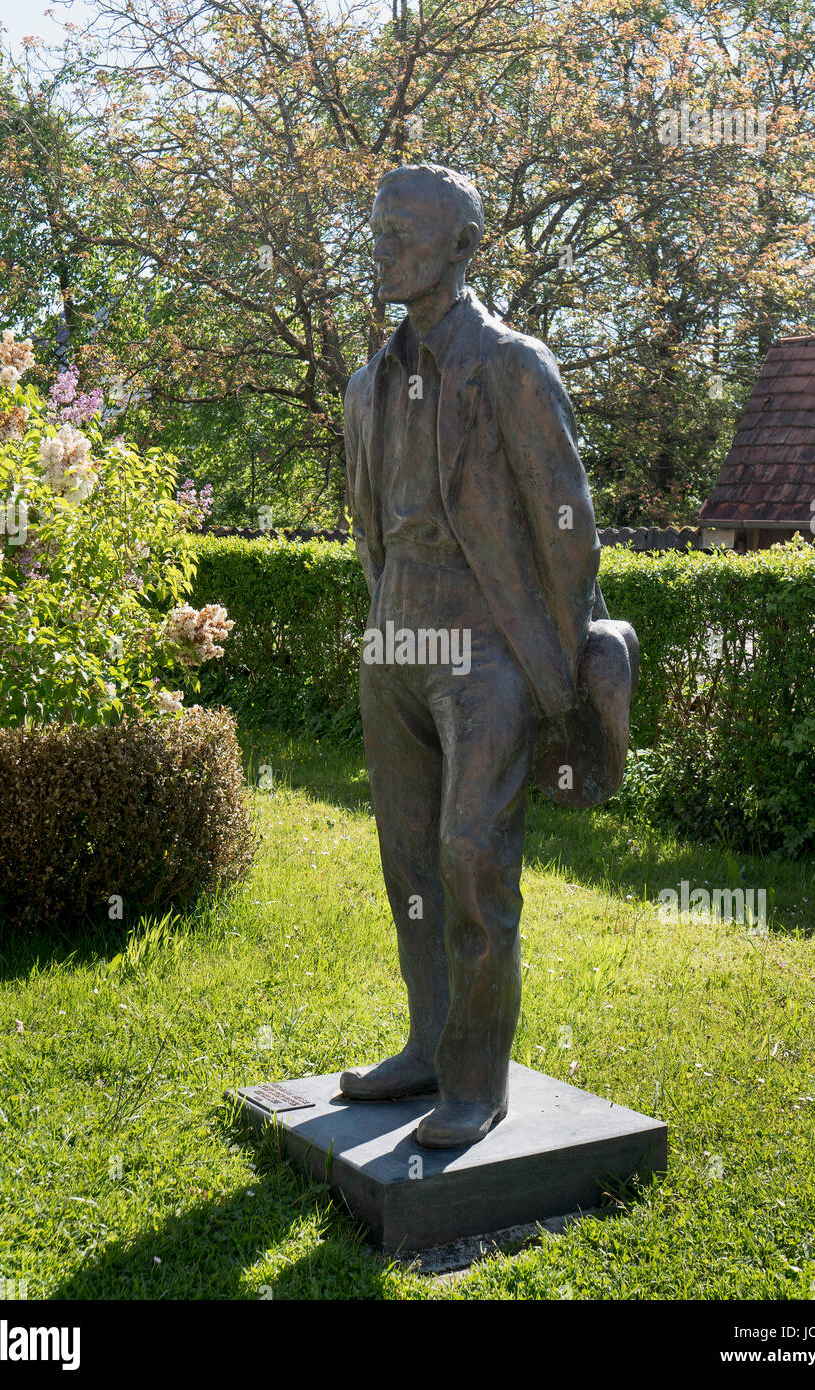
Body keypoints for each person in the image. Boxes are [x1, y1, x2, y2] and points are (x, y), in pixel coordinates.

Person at [340, 164, 637, 1147]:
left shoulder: (510, 364)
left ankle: (475, 1079)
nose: (382, 245)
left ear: (463, 245)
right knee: (408, 859)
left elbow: (568, 526)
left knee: (471, 857)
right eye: (377, 228)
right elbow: (367, 522)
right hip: (396, 632)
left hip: (485, 642)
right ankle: (429, 1042)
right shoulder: (365, 383)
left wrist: (570, 659)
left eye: (405, 230)